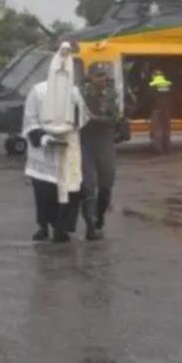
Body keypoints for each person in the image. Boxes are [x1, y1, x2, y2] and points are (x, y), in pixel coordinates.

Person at [22, 42, 87, 243]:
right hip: (44, 151)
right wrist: (44, 138)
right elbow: (29, 120)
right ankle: (43, 226)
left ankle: (62, 228)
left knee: (70, 190)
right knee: (44, 192)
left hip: (68, 148)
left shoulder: (74, 92)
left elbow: (83, 118)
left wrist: (74, 118)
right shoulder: (38, 91)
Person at [80, 65, 120, 241]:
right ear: (90, 77)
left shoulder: (111, 94)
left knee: (106, 185)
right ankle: (90, 226)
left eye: (104, 75)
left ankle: (99, 217)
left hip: (105, 141)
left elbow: (114, 118)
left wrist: (96, 119)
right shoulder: (81, 95)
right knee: (88, 186)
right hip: (85, 142)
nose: (102, 79)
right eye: (98, 75)